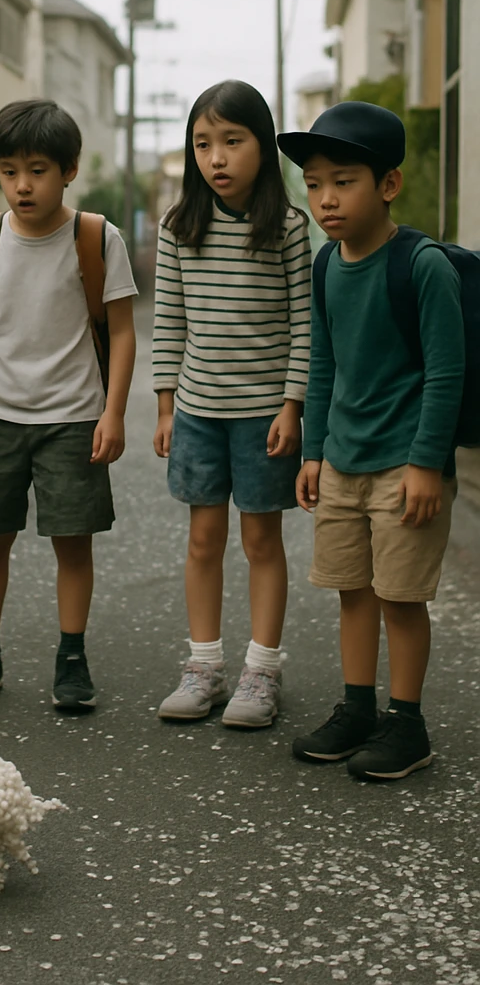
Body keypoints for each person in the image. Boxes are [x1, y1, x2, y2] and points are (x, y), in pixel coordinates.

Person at [278, 101, 465, 780]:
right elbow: (323, 365)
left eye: (344, 181)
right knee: (351, 590)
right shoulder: (327, 267)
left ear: (389, 184)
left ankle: (408, 723)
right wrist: (315, 452)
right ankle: (358, 707)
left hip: (403, 467)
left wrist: (424, 464)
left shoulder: (420, 266)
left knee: (400, 596)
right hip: (345, 464)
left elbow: (447, 370)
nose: (326, 198)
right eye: (315, 182)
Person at [0, 100, 137, 711]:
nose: (23, 185)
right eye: (8, 170)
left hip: (74, 418)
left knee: (73, 542)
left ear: (69, 169)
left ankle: (71, 658)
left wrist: (115, 412)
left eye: (38, 170)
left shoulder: (97, 238)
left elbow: (123, 331)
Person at [152, 80, 311, 729]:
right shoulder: (178, 227)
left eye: (232, 141)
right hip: (196, 411)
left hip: (263, 415)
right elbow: (169, 322)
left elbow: (305, 326)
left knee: (261, 539)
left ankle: (261, 670)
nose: (216, 158)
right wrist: (164, 407)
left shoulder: (290, 228)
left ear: (262, 148)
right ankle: (204, 666)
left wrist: (293, 406)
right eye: (202, 144)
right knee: (202, 539)